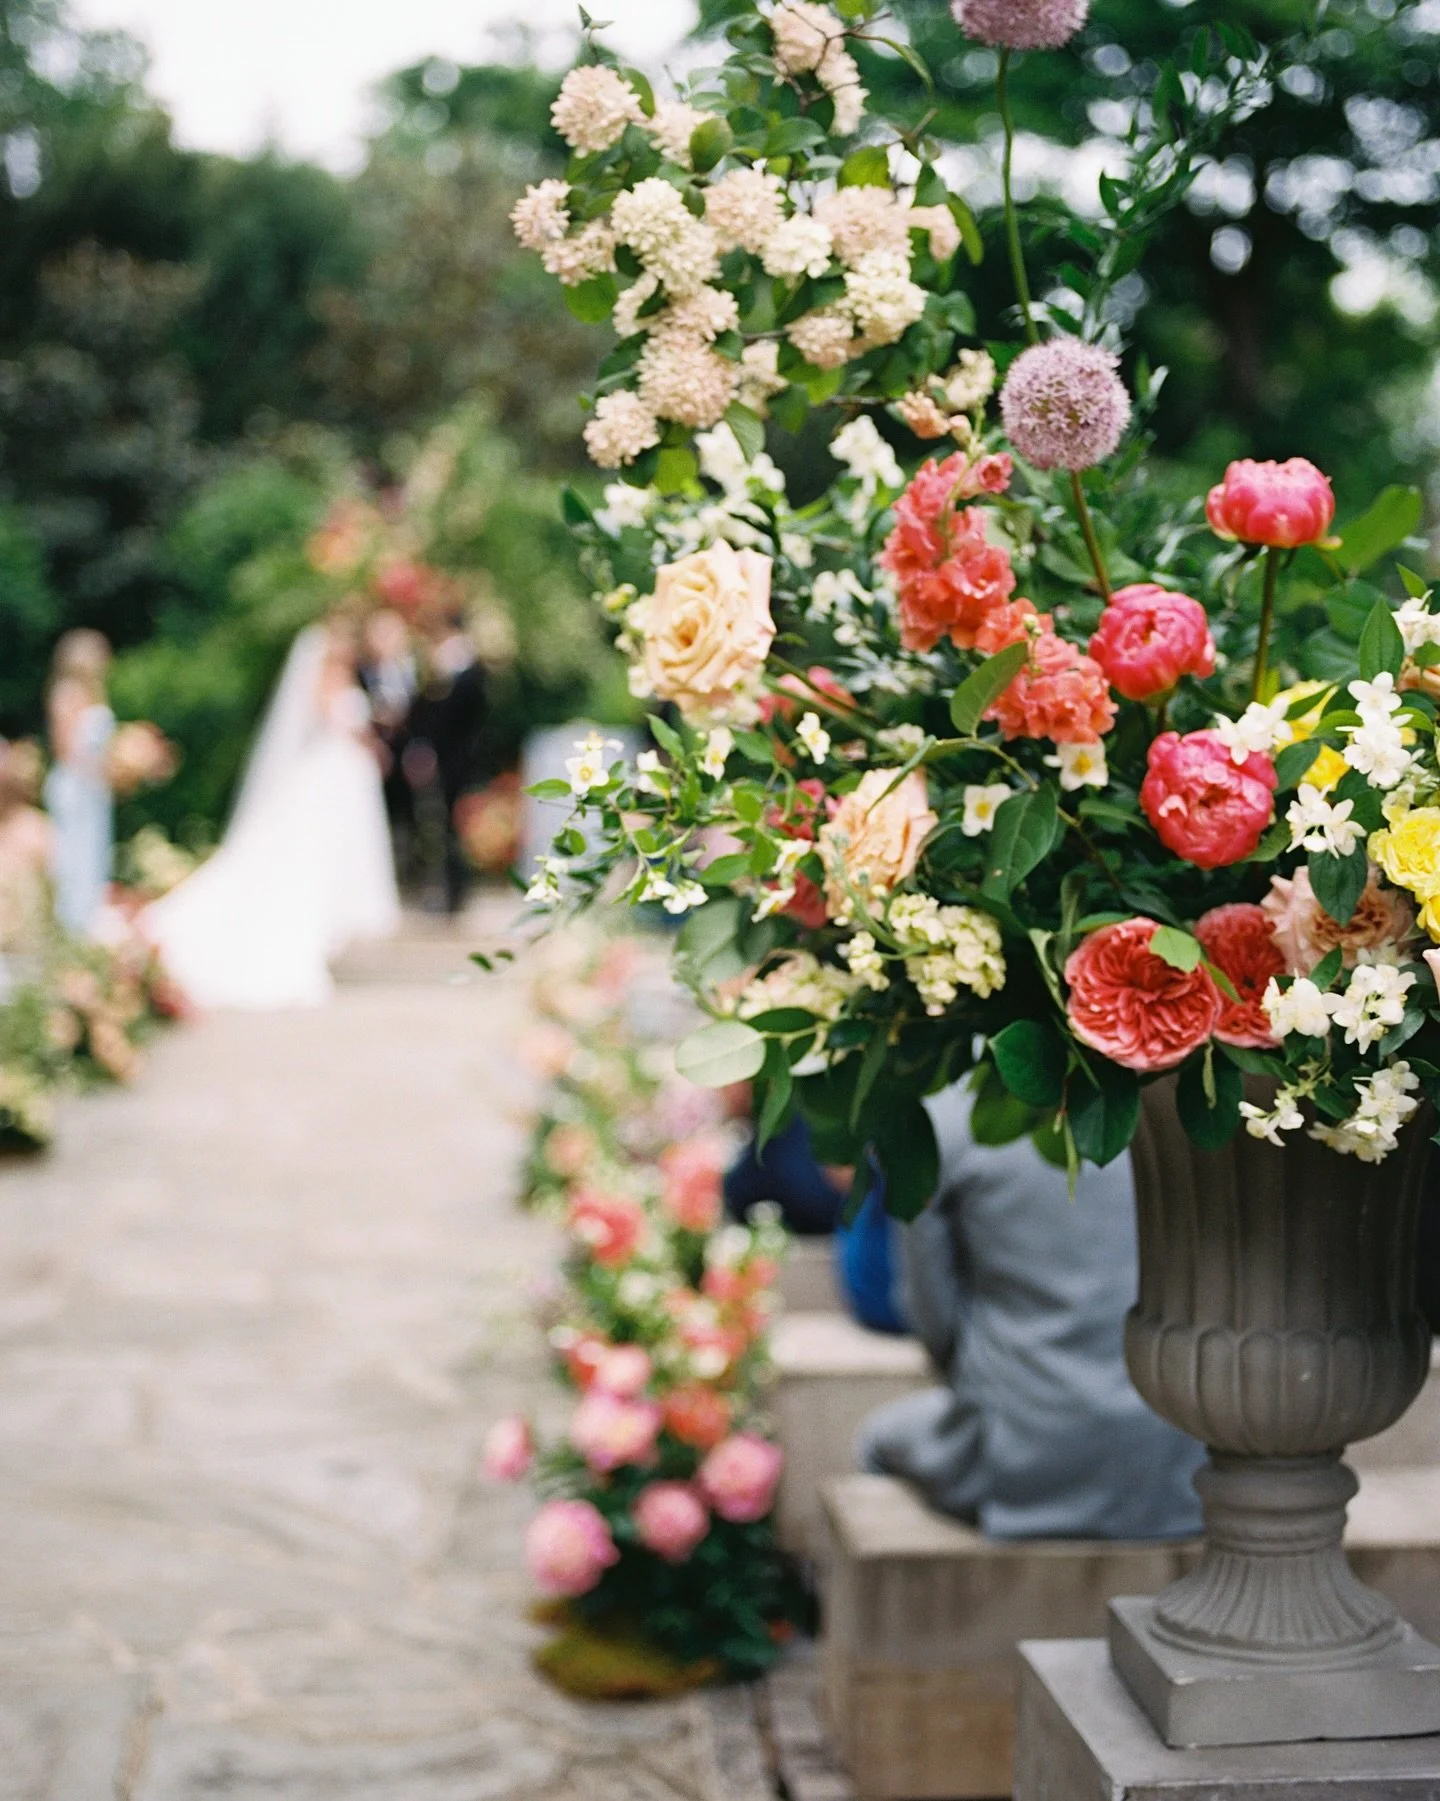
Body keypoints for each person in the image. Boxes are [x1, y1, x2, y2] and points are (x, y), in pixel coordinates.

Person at [857, 1082, 1206, 1541]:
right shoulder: (1175, 1105)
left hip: (1022, 1464)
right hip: (1176, 1468)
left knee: (875, 1439)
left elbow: (932, 1321)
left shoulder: (940, 1119)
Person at [144, 615, 400, 1008]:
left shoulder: (349, 678)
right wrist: (367, 740)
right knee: (307, 860)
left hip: (343, 778)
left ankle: (326, 934)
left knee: (330, 859)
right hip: (331, 776)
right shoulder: (326, 680)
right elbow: (331, 721)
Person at [404, 609, 488, 915]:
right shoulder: (446, 669)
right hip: (447, 760)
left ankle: (457, 893)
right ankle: (450, 892)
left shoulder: (468, 671)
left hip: (461, 762)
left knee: (455, 828)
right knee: (444, 827)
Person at [44, 629, 115, 937]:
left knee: (93, 856)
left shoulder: (95, 694)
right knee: (74, 858)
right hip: (75, 787)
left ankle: (87, 924)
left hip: (94, 789)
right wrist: (101, 769)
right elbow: (64, 750)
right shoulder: (67, 692)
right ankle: (72, 926)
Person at [357, 606, 418, 884]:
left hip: (405, 752)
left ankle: (405, 872)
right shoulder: (360, 670)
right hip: (368, 754)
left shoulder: (411, 666)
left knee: (406, 815)